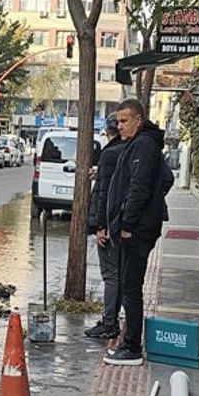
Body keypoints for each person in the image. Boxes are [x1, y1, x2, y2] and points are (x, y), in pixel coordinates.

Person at [102, 98, 173, 366]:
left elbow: (139, 188)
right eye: (117, 121)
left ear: (138, 120)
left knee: (131, 288)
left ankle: (131, 346)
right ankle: (128, 342)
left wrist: (129, 225)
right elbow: (164, 179)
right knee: (128, 285)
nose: (119, 126)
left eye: (124, 121)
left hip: (136, 231)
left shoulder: (144, 144)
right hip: (136, 227)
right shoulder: (141, 143)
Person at [84, 114, 126, 340]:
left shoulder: (110, 154)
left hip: (110, 225)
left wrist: (101, 226)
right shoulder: (130, 151)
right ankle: (112, 319)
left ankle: (109, 322)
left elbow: (104, 195)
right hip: (124, 224)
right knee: (119, 274)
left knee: (111, 275)